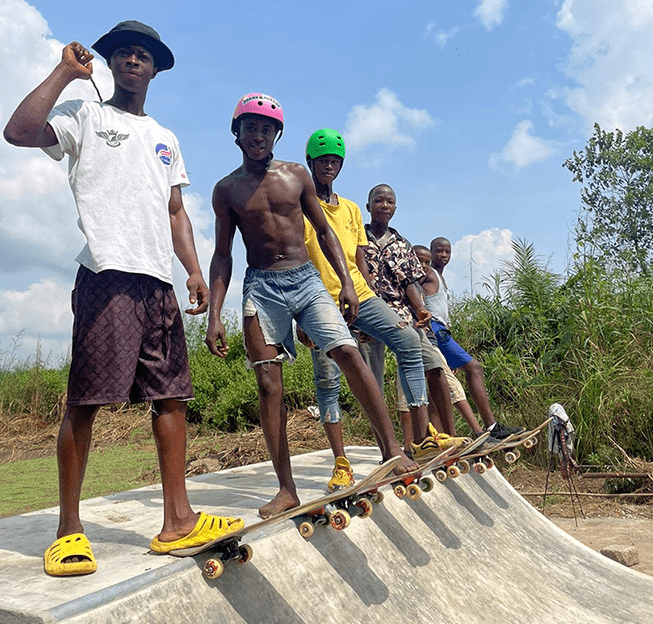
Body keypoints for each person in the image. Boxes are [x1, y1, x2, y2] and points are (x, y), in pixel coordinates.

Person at [4, 21, 244, 576]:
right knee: (86, 402)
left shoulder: (166, 137)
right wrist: (65, 72)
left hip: (159, 282)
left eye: (144, 55)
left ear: (156, 68)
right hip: (107, 276)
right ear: (111, 64)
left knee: (172, 399)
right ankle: (68, 531)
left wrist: (192, 271)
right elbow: (18, 131)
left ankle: (178, 520)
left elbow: (176, 211)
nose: (134, 60)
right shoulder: (84, 116)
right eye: (124, 54)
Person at [205, 96, 418, 518]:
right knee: (269, 385)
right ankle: (286, 489)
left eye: (267, 129)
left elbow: (324, 231)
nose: (259, 136)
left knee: (348, 354)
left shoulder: (295, 175)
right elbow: (223, 255)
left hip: (307, 281)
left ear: (276, 135)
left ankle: (392, 452)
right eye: (251, 127)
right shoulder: (226, 190)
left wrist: (346, 284)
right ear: (237, 132)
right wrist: (214, 315)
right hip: (261, 289)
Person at [299, 129, 463, 491]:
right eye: (323, 160)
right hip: (319, 299)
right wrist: (300, 312)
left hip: (357, 294)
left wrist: (367, 296)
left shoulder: (352, 209)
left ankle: (420, 438)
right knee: (329, 382)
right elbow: (297, 253)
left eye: (335, 161)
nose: (329, 165)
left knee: (407, 342)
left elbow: (359, 256)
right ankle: (341, 463)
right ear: (310, 162)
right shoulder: (300, 205)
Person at [361, 184, 461, 448]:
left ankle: (443, 438)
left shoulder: (402, 244)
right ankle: (389, 450)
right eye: (378, 200)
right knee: (374, 385)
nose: (384, 205)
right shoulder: (357, 239)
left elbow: (409, 283)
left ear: (395, 208)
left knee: (435, 366)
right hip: (368, 314)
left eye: (390, 201)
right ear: (368, 206)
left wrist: (420, 309)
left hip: (402, 315)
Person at [422, 238, 522, 440]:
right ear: (431, 252)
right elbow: (412, 286)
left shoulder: (440, 278)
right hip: (434, 329)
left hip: (441, 331)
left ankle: (440, 438)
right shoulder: (427, 273)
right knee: (475, 368)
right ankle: (491, 426)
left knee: (436, 387)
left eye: (447, 252)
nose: (443, 255)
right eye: (439, 251)